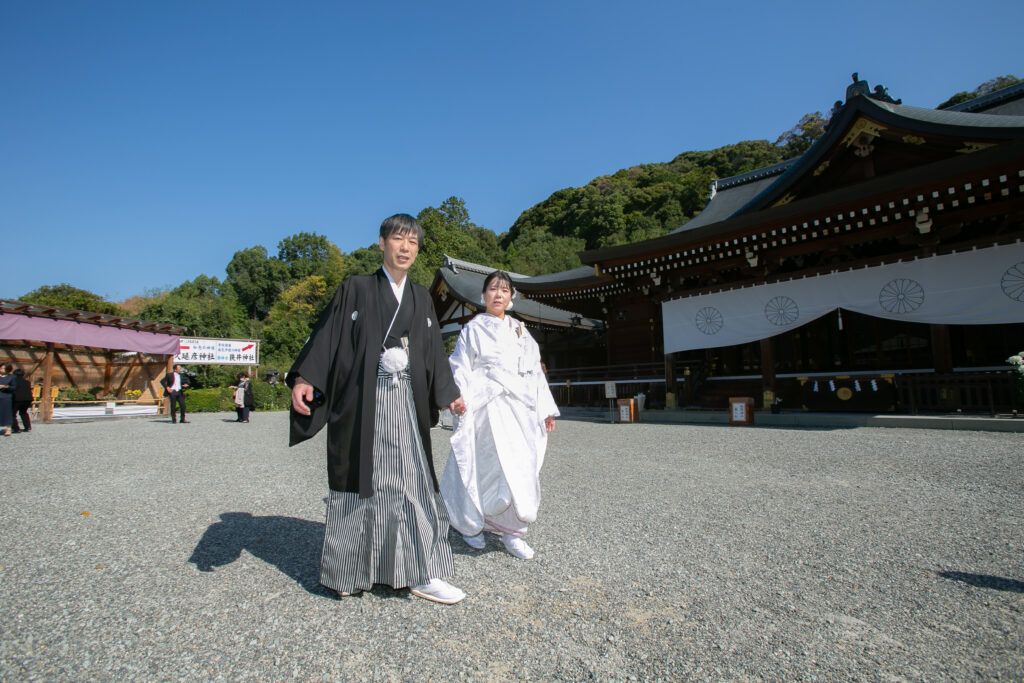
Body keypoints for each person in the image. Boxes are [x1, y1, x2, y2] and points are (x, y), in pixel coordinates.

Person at [288, 213, 468, 605]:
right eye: (398, 239)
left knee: (411, 480)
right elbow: (327, 337)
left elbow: (433, 354)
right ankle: (351, 569)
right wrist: (305, 378)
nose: (406, 248)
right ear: (382, 242)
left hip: (406, 400)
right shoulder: (355, 288)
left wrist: (448, 394)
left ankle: (419, 570)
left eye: (413, 242)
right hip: (364, 403)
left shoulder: (421, 296)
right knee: (360, 481)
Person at [440, 271, 558, 560]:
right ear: (483, 296)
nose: (498, 294)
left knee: (519, 468)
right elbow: (460, 365)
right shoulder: (473, 328)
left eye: (504, 290)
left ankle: (512, 532)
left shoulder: (521, 331)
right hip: (486, 405)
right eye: (492, 289)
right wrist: (459, 398)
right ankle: (472, 526)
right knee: (482, 464)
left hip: (518, 408)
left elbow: (534, 372)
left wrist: (545, 409)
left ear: (511, 297)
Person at [11, 368, 32, 433]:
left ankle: (16, 428)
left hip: (17, 399)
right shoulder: (27, 382)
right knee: (23, 413)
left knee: (12, 414)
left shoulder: (13, 381)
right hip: (27, 399)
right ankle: (27, 427)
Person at [0, 364, 14, 436]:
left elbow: (14, 387)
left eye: (3, 368)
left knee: (6, 413)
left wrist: (5, 386)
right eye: (1, 368)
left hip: (6, 397)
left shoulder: (11, 377)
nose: (1, 369)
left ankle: (8, 428)